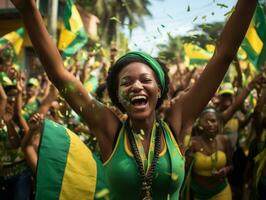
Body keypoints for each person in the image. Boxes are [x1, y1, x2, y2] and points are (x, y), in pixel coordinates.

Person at [11, 0, 257, 199]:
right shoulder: (108, 128)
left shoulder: (178, 122)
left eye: (145, 80)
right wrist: (29, 9)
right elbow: (59, 74)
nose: (136, 86)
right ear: (117, 95)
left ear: (159, 90)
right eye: (126, 83)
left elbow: (223, 56)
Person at [188, 108, 233, 199]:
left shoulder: (224, 140)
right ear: (200, 124)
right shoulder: (193, 143)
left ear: (218, 123)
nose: (210, 124)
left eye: (213, 121)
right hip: (199, 193)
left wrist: (225, 170)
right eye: (206, 121)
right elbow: (186, 169)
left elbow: (231, 165)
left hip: (221, 191)